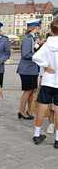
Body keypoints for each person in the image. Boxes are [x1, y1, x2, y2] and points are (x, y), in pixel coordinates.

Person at [32, 18, 58, 148]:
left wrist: (46, 65)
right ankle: (57, 139)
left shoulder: (47, 44)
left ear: (52, 30)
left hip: (48, 80)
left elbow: (35, 56)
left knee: (42, 108)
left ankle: (37, 135)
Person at [17, 20, 42, 119]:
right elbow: (26, 54)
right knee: (27, 91)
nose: (39, 28)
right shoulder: (28, 39)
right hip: (27, 69)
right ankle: (22, 111)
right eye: (38, 27)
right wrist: (39, 55)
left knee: (32, 91)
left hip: (33, 69)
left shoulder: (34, 37)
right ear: (34, 27)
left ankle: (29, 111)